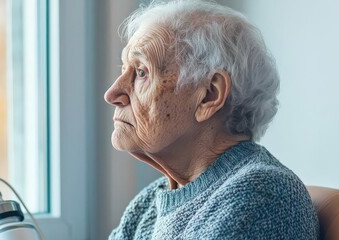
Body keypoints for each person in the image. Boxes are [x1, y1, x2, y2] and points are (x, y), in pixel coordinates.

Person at [104, 1, 319, 239]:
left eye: (142, 72)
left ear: (209, 95)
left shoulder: (262, 196)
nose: (112, 94)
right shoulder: (148, 205)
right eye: (123, 70)